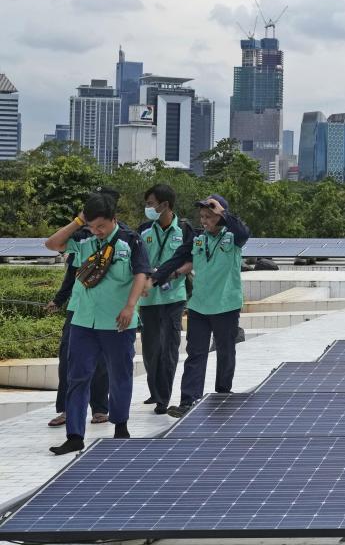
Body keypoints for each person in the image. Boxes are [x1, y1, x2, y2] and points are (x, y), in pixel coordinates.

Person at [44, 192, 149, 455]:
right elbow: (52, 244)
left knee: (120, 375)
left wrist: (129, 307)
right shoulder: (83, 240)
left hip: (117, 321)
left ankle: (120, 427)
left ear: (114, 219)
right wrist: (79, 222)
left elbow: (140, 275)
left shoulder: (130, 241)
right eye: (93, 226)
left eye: (102, 225)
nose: (98, 231)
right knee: (77, 378)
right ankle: (75, 436)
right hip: (83, 321)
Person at [46, 186, 125, 428]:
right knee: (68, 359)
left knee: (100, 362)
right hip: (79, 310)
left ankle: (100, 407)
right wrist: (59, 299)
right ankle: (67, 410)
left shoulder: (126, 238)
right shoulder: (82, 237)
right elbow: (68, 268)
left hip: (107, 311)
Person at [167, 195, 249, 418]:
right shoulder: (197, 239)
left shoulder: (233, 237)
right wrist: (159, 276)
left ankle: (223, 392)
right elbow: (179, 259)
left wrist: (222, 211)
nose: (204, 220)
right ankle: (188, 400)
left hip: (226, 305)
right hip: (199, 306)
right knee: (195, 353)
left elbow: (244, 233)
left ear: (221, 216)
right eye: (202, 216)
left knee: (225, 351)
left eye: (209, 216)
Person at [137, 184, 195, 415]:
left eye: (151, 204)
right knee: (151, 350)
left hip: (174, 296)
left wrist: (175, 272)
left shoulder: (185, 229)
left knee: (168, 348)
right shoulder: (143, 231)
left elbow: (193, 259)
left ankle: (163, 398)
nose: (148, 208)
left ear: (165, 205)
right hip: (149, 298)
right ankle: (156, 391)